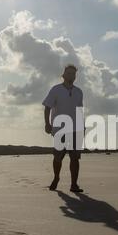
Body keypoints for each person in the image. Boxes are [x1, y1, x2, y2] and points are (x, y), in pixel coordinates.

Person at [42, 64, 84, 192]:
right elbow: (47, 107)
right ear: (63, 75)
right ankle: (56, 178)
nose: (71, 75)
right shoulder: (56, 90)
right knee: (58, 157)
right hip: (60, 129)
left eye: (73, 74)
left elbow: (80, 110)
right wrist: (47, 124)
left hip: (76, 129)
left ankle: (74, 184)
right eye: (69, 73)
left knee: (75, 158)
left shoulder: (78, 92)